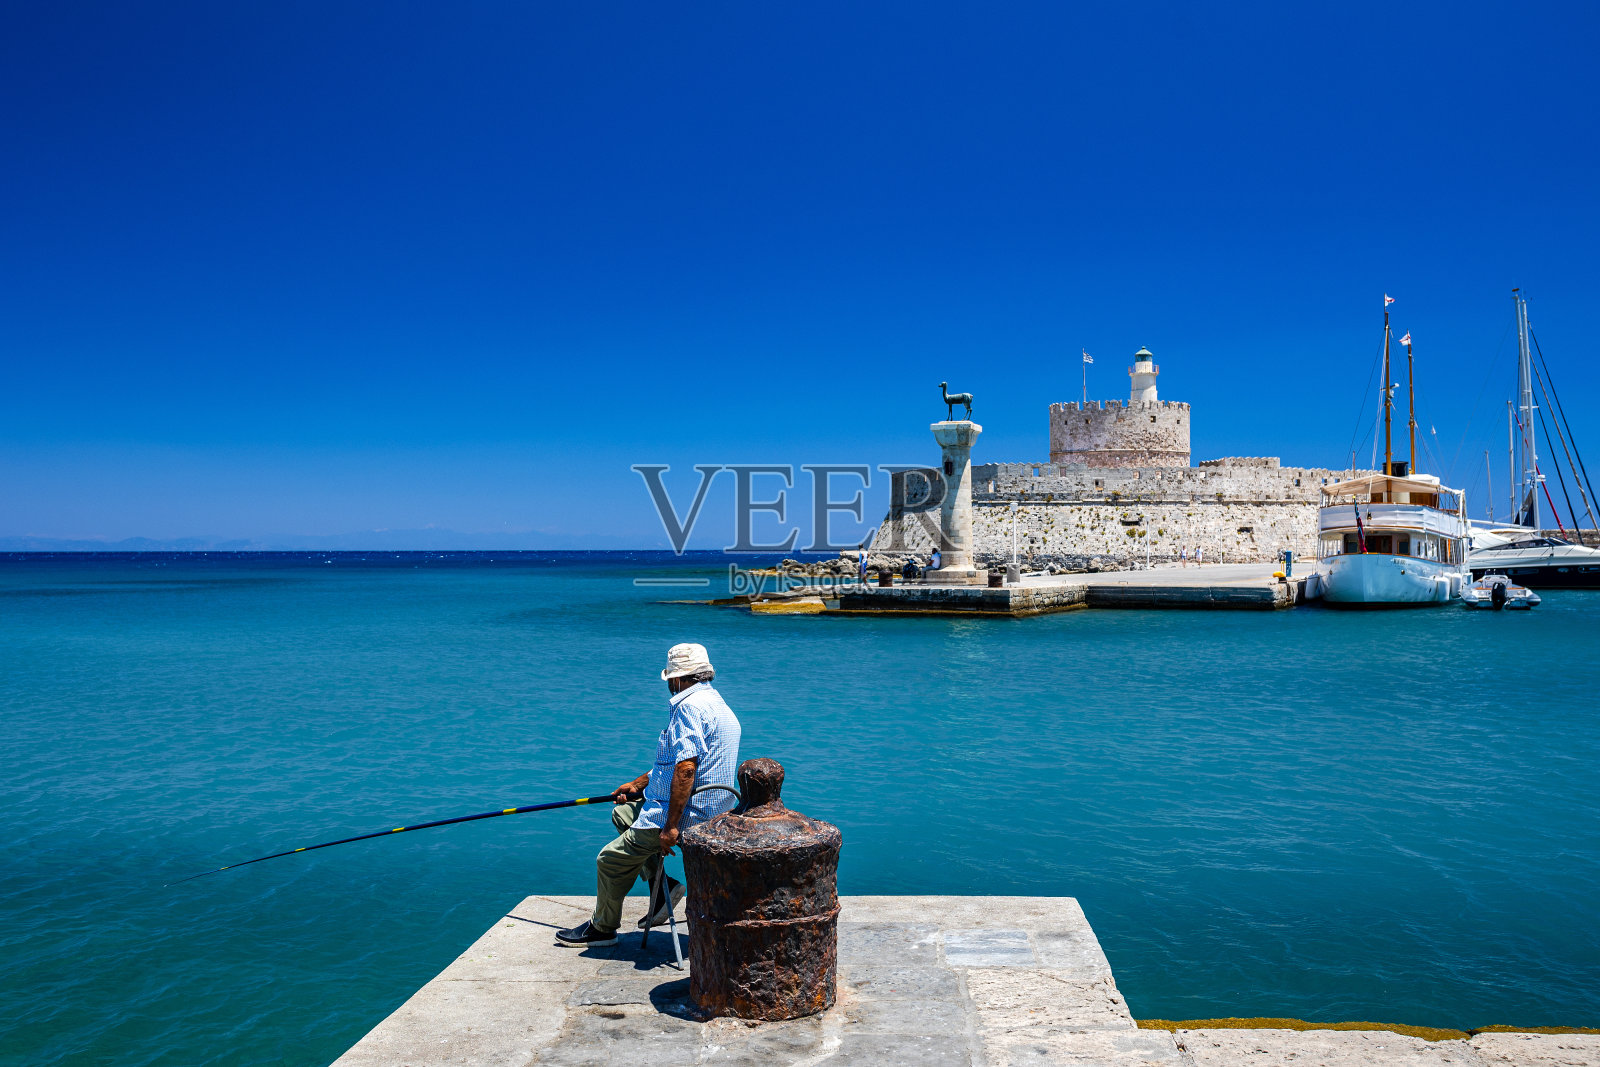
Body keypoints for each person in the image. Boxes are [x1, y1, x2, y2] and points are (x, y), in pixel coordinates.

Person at [556, 642, 742, 947]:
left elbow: (686, 769)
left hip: (689, 815)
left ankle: (602, 929)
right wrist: (639, 784)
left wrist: (671, 827)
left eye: (670, 678)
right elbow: (677, 763)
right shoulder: (717, 703)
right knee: (623, 813)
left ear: (678, 678)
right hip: (717, 808)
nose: (668, 684)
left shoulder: (688, 708)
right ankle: (663, 889)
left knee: (609, 860)